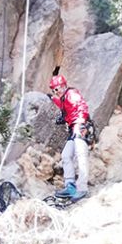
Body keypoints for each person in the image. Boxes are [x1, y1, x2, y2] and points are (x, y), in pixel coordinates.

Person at [49, 74, 90, 202]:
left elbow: (81, 106)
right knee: (66, 155)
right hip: (73, 127)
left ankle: (82, 188)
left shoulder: (71, 94)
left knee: (81, 155)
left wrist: (81, 123)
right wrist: (51, 98)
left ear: (64, 86)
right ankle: (70, 186)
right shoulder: (64, 98)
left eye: (59, 88)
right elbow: (64, 106)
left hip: (79, 125)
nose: (57, 91)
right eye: (55, 90)